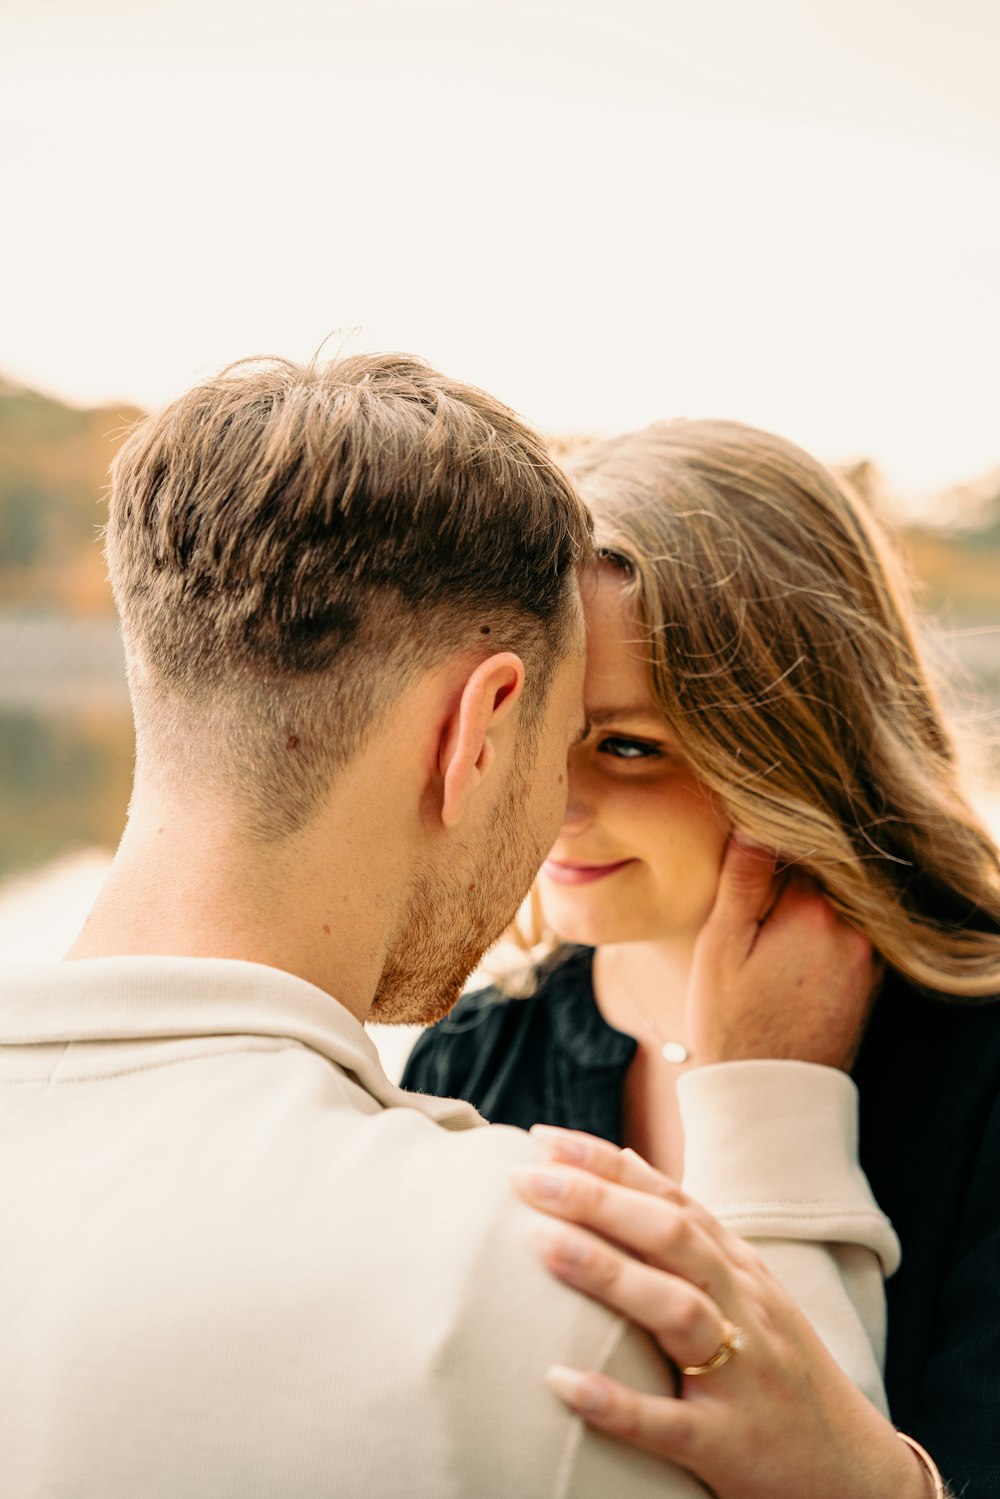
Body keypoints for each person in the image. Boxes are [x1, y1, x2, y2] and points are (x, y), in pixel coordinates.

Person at [2, 363, 902, 1499]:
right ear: (476, 729)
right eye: (561, 733)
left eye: (620, 742)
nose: (562, 808)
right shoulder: (548, 1275)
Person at [403, 417, 1000, 1499]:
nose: (553, 802)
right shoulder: (467, 1060)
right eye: (534, 733)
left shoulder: (982, 1061)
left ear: (801, 746)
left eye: (629, 746)